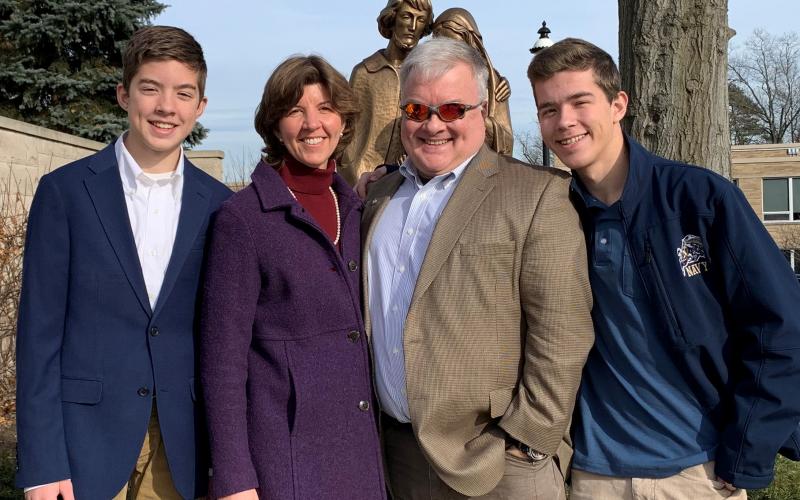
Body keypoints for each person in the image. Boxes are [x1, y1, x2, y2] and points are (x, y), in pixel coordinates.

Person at [527, 37, 800, 499]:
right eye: (548, 109)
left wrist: (745, 454)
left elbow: (782, 328)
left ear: (618, 105)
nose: (565, 121)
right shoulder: (550, 212)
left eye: (579, 102)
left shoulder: (700, 199)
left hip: (697, 472)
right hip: (593, 476)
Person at [362, 37, 594, 499]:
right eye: (416, 110)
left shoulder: (535, 194)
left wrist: (528, 439)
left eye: (452, 110)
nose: (433, 125)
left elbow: (563, 330)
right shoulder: (376, 198)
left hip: (499, 466)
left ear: (483, 110)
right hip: (395, 461)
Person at [15, 26, 232, 499]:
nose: (165, 106)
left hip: (182, 448)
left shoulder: (220, 206)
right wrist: (41, 464)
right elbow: (38, 339)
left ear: (200, 107)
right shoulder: (66, 193)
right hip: (82, 445)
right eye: (150, 88)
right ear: (123, 94)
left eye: (183, 93)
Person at [200, 55, 386, 500]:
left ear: (343, 121)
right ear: (274, 125)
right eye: (294, 110)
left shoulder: (360, 210)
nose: (311, 124)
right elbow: (221, 363)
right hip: (286, 462)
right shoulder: (243, 220)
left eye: (325, 109)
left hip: (364, 454)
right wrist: (233, 480)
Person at [339, 0, 433, 185]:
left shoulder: (426, 76)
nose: (413, 27)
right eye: (407, 17)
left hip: (406, 183)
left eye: (421, 20)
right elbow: (348, 132)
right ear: (392, 18)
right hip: (359, 181)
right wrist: (354, 174)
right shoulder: (365, 72)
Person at [432, 7, 514, 155]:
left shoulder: (493, 82)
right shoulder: (427, 77)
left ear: (470, 43)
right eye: (443, 47)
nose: (450, 53)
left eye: (456, 46)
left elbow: (506, 136)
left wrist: (476, 119)